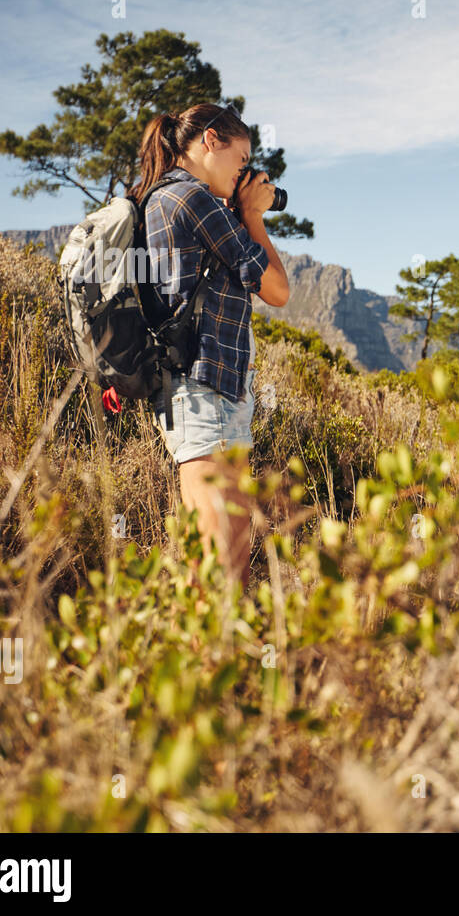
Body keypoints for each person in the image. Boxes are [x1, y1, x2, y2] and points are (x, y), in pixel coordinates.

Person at [132, 103, 290, 586]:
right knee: (219, 566)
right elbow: (278, 291)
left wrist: (241, 211)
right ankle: (204, 658)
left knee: (232, 560)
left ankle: (227, 658)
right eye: (241, 160)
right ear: (210, 142)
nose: (244, 172)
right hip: (202, 391)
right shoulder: (192, 198)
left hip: (218, 391)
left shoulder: (167, 198)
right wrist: (251, 215)